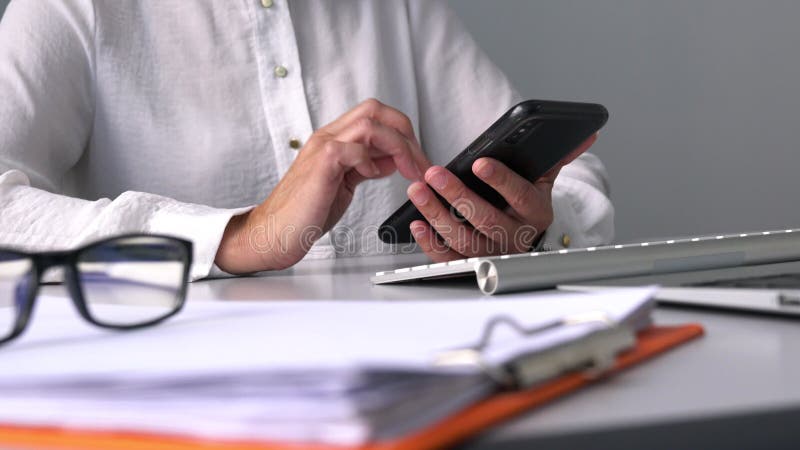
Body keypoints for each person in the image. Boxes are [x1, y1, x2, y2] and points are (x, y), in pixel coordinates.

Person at [0, 0, 614, 279]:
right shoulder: (69, 9)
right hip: (180, 405)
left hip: (418, 388)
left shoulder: (396, 8)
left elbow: (568, 181)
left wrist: (530, 227)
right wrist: (237, 236)